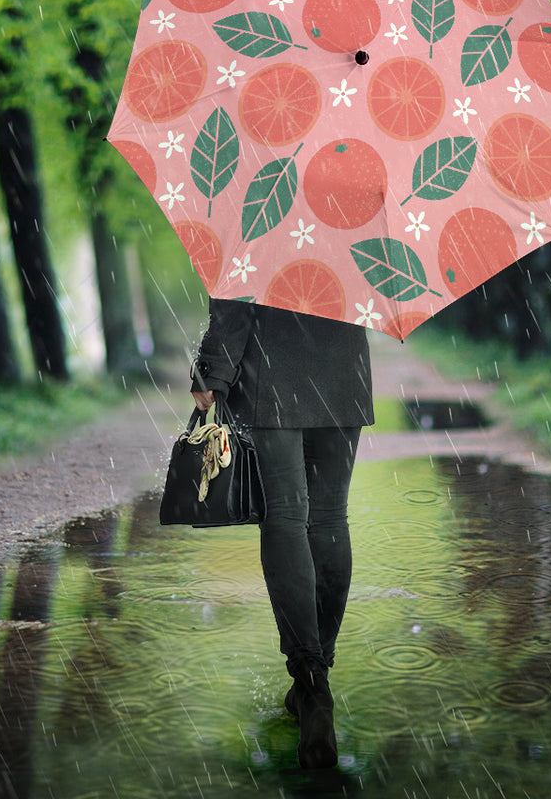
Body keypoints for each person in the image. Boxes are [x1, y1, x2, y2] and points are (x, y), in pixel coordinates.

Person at [190, 297, 373, 769]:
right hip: (342, 365)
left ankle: (310, 680)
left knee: (286, 517)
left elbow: (237, 284)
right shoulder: (363, 218)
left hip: (272, 369)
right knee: (331, 516)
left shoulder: (259, 218)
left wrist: (214, 368)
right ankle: (317, 676)